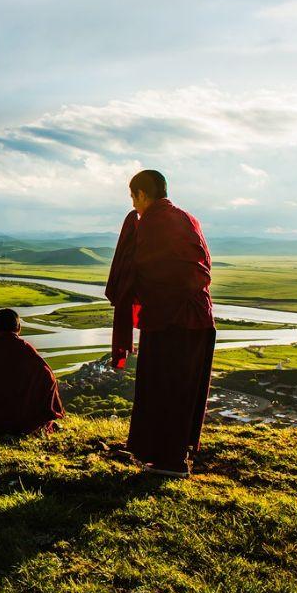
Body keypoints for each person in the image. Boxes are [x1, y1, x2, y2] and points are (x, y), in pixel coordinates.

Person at [105, 169, 216, 478]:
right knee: (183, 388)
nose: (133, 205)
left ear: (142, 194)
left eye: (132, 197)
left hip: (170, 319)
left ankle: (169, 461)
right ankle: (170, 454)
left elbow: (145, 271)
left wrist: (127, 289)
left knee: (163, 387)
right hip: (198, 317)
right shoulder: (186, 219)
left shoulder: (153, 224)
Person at [0, 308, 64, 435]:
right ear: (18, 327)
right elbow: (48, 379)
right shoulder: (23, 348)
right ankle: (42, 425)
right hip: (19, 420)